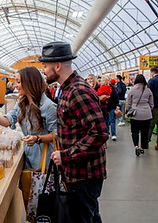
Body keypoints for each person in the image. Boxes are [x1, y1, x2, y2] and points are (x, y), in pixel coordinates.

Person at [39, 41, 108, 223]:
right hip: (77, 173)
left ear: (58, 65)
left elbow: (99, 133)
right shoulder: (67, 89)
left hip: (84, 175)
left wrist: (66, 155)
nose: (44, 70)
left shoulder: (78, 91)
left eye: (45, 66)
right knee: (90, 217)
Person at [0, 66, 57, 169]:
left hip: (43, 159)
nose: (15, 86)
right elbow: (7, 121)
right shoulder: (22, 103)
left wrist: (37, 138)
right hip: (28, 155)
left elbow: (56, 135)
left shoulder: (48, 106)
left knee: (39, 184)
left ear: (29, 82)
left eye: (18, 82)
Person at [125, 74, 153, 156]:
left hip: (135, 114)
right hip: (147, 114)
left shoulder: (132, 90)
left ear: (135, 80)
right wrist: (147, 109)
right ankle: (143, 147)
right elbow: (151, 104)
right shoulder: (148, 90)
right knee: (145, 132)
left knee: (135, 131)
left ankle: (136, 146)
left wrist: (128, 111)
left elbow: (128, 102)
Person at [100, 76, 119, 141]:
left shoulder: (112, 89)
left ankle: (113, 134)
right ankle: (107, 133)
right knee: (107, 121)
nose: (101, 82)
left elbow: (116, 97)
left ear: (106, 81)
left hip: (110, 107)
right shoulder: (102, 88)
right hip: (105, 107)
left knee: (111, 120)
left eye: (102, 81)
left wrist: (116, 105)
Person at [147, 65, 158, 149]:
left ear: (152, 72)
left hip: (154, 106)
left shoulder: (151, 81)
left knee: (151, 125)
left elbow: (150, 95)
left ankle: (146, 142)